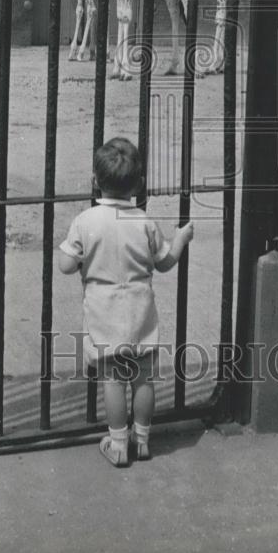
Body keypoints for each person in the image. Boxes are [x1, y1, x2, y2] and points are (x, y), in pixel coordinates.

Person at [58, 136, 194, 467]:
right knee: (144, 377)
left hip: (104, 311)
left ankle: (118, 444)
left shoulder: (86, 220)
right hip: (140, 309)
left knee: (113, 379)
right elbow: (164, 262)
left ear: (95, 181)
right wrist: (180, 239)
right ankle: (142, 439)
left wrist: (79, 255)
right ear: (139, 184)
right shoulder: (144, 222)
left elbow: (65, 266)